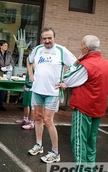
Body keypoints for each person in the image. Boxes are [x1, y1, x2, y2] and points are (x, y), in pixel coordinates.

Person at [58, 35, 108, 172]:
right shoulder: (107, 64)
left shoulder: (86, 64)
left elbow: (68, 79)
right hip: (98, 107)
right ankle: (90, 170)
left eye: (82, 45)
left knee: (78, 139)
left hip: (83, 106)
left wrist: (76, 63)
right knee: (91, 139)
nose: (80, 47)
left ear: (87, 48)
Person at [27, 26, 76, 163]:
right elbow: (29, 61)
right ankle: (38, 145)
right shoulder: (37, 49)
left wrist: (66, 82)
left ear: (54, 37)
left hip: (52, 92)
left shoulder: (61, 51)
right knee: (37, 117)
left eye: (50, 38)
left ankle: (55, 152)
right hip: (37, 89)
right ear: (41, 39)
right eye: (44, 38)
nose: (47, 40)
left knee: (48, 120)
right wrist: (31, 74)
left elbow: (76, 65)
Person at [0, 39, 15, 111]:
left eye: (7, 45)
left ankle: (1, 105)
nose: (6, 47)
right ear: (0, 46)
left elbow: (12, 63)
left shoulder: (9, 54)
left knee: (3, 90)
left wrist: (9, 68)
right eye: (5, 45)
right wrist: (0, 68)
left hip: (6, 74)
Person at [17, 58, 35, 130]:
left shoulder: (35, 65)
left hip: (33, 87)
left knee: (32, 106)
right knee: (25, 103)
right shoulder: (29, 65)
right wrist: (25, 83)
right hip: (27, 86)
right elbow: (28, 75)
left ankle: (31, 122)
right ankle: (25, 118)